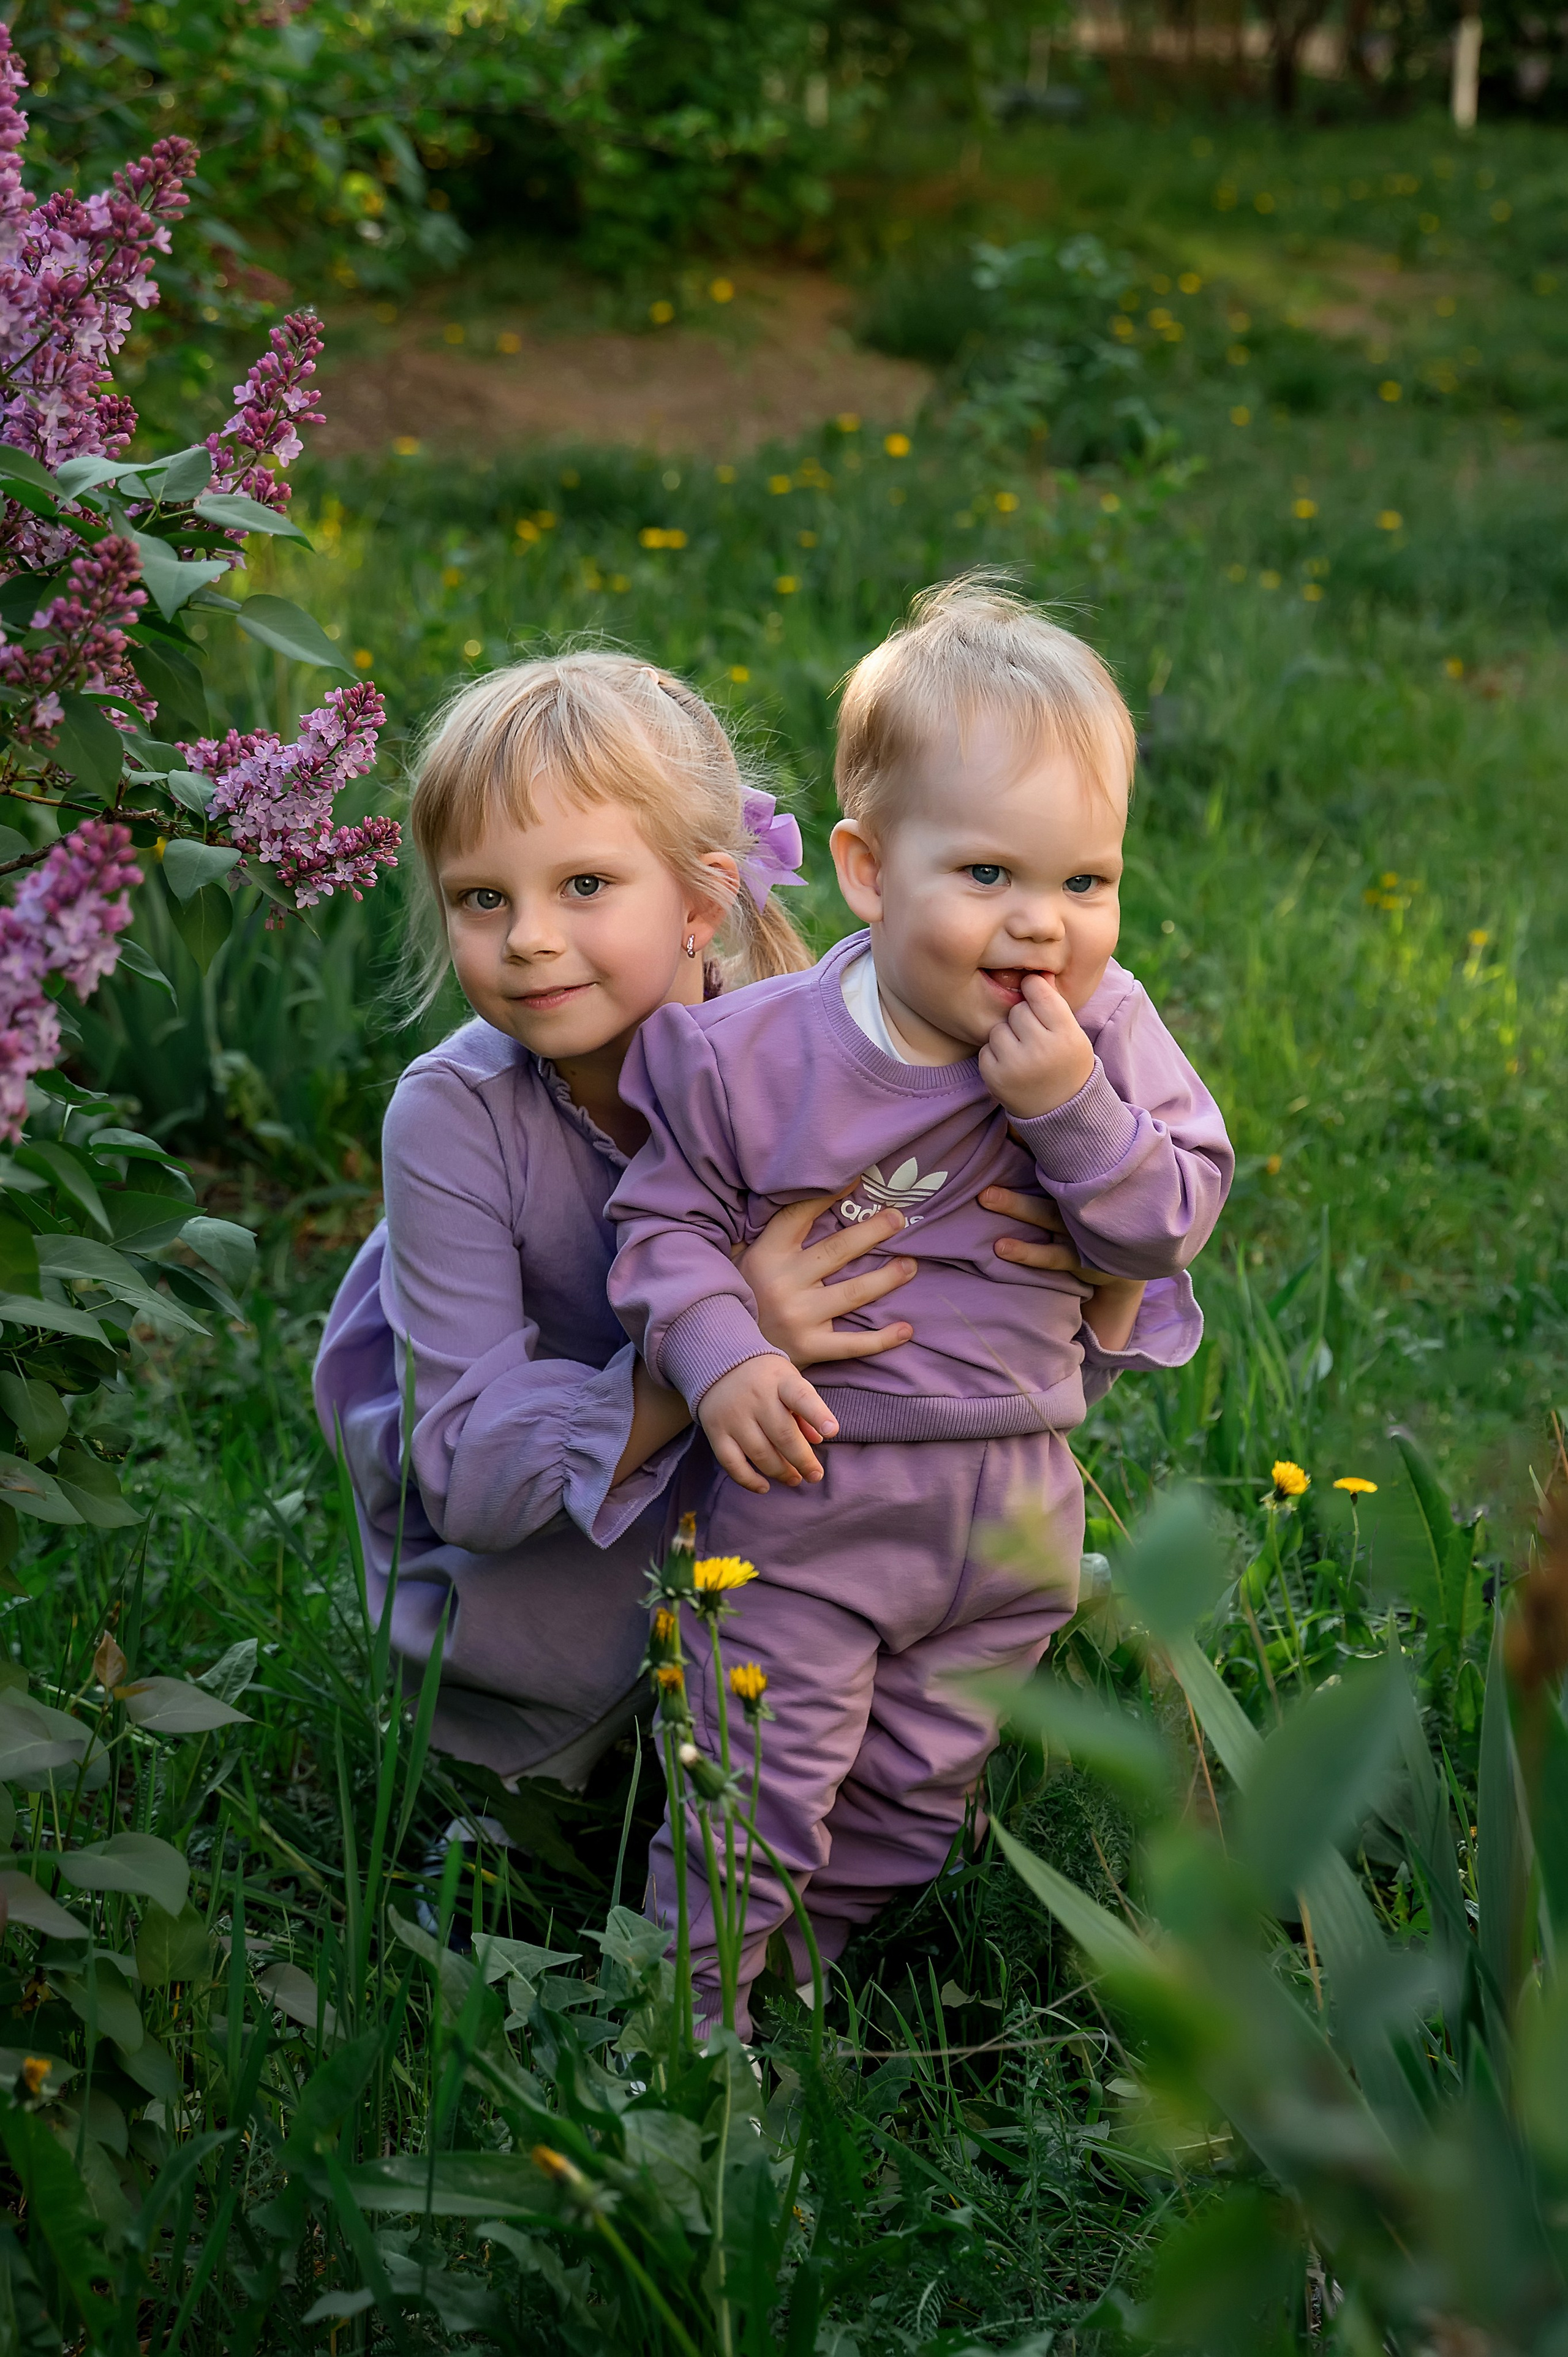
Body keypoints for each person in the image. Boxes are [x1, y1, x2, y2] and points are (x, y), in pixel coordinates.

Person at [608, 581, 1235, 2031]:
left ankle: (803, 1988)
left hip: (1016, 1513)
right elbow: (656, 1230)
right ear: (868, 870)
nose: (1043, 926)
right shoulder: (743, 1054)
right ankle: (682, 2037)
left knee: (910, 1797)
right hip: (809, 1494)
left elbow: (1163, 1221)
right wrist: (715, 1355)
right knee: (749, 1792)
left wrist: (1071, 1109)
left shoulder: (1107, 1035)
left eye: (1085, 882)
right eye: (989, 876)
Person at [313, 651, 981, 1787]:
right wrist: (717, 1346)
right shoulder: (455, 1118)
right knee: (542, 1846)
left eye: (583, 886)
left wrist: (1104, 1270)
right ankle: (543, 1806)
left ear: (703, 902)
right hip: (548, 1593)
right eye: (484, 897)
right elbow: (468, 1480)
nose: (526, 936)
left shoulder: (819, 1066)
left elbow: (974, 1312)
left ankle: (845, 1730)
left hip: (794, 1553)